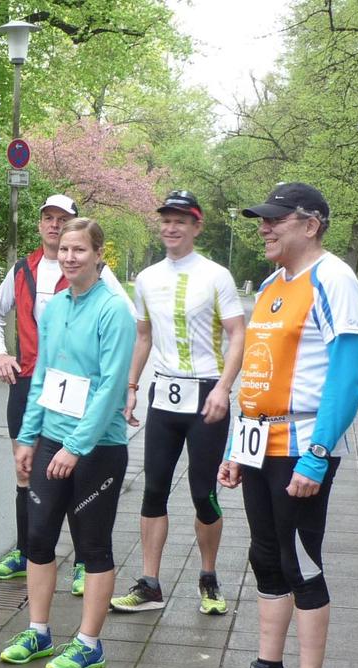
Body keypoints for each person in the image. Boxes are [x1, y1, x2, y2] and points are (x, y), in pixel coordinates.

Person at [209, 183, 358, 668]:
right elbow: (255, 373)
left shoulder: (335, 280)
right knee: (266, 559)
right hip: (259, 446)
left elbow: (349, 379)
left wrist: (318, 456)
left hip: (302, 449)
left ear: (312, 224)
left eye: (276, 219)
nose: (264, 227)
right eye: (262, 218)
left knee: (303, 565)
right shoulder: (275, 284)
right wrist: (233, 449)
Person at [0, 218, 135, 668]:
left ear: (99, 255)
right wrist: (28, 437)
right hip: (51, 438)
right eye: (65, 249)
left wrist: (76, 447)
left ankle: (89, 643)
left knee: (92, 545)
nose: (71, 256)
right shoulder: (53, 308)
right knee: (38, 537)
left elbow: (112, 386)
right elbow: (43, 376)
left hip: (98, 447)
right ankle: (39, 630)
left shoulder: (113, 309)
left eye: (81, 249)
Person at [116, 191, 244, 616]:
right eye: (166, 220)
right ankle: (150, 584)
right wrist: (132, 386)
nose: (171, 227)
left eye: (181, 221)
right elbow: (143, 337)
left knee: (202, 493)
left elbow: (237, 335)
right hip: (165, 396)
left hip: (207, 393)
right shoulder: (148, 277)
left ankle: (208, 577)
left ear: (196, 226)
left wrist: (225, 388)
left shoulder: (216, 275)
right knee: (153, 490)